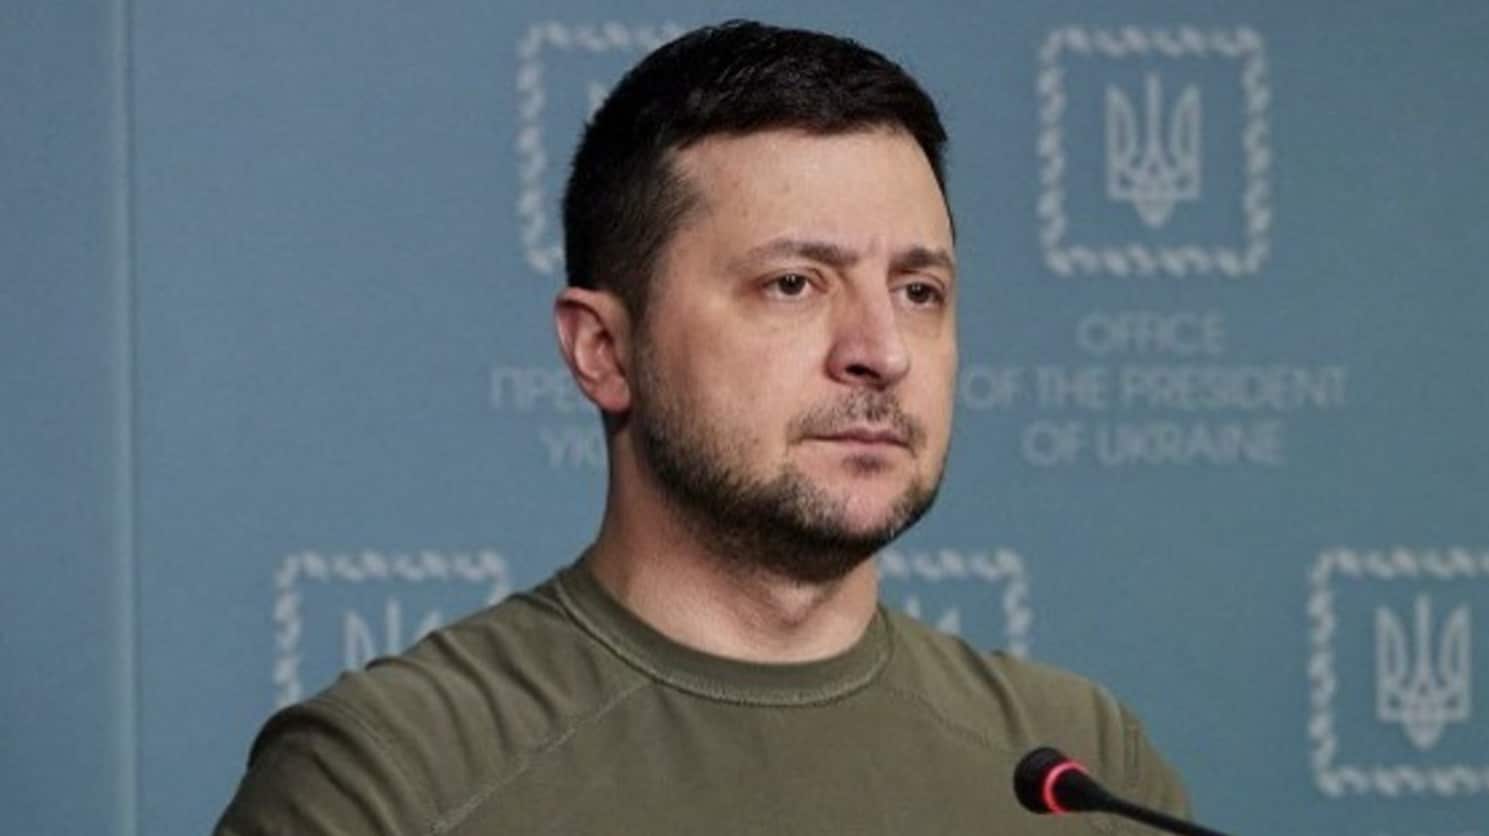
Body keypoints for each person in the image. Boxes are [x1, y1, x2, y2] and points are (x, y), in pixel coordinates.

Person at [216, 20, 1189, 835]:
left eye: (918, 290)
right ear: (604, 350)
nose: (881, 350)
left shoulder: (1078, 769)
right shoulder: (388, 779)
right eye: (793, 284)